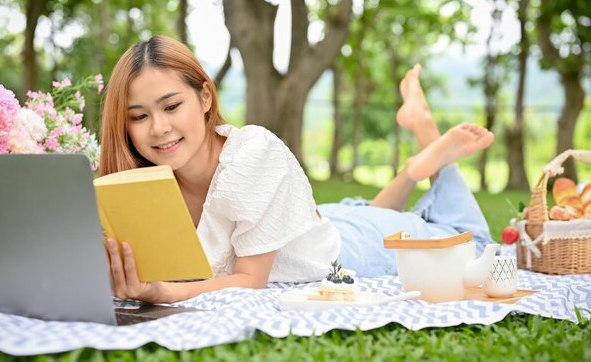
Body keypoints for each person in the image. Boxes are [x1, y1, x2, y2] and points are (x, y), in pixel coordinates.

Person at [99, 35, 495, 304]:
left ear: (205, 96)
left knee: (473, 242)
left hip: (348, 254)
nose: (159, 128)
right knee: (378, 213)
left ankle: (425, 131)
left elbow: (249, 281)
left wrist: (161, 292)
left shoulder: (252, 154)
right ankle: (413, 169)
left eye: (171, 107)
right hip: (313, 226)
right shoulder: (141, 185)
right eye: (139, 116)